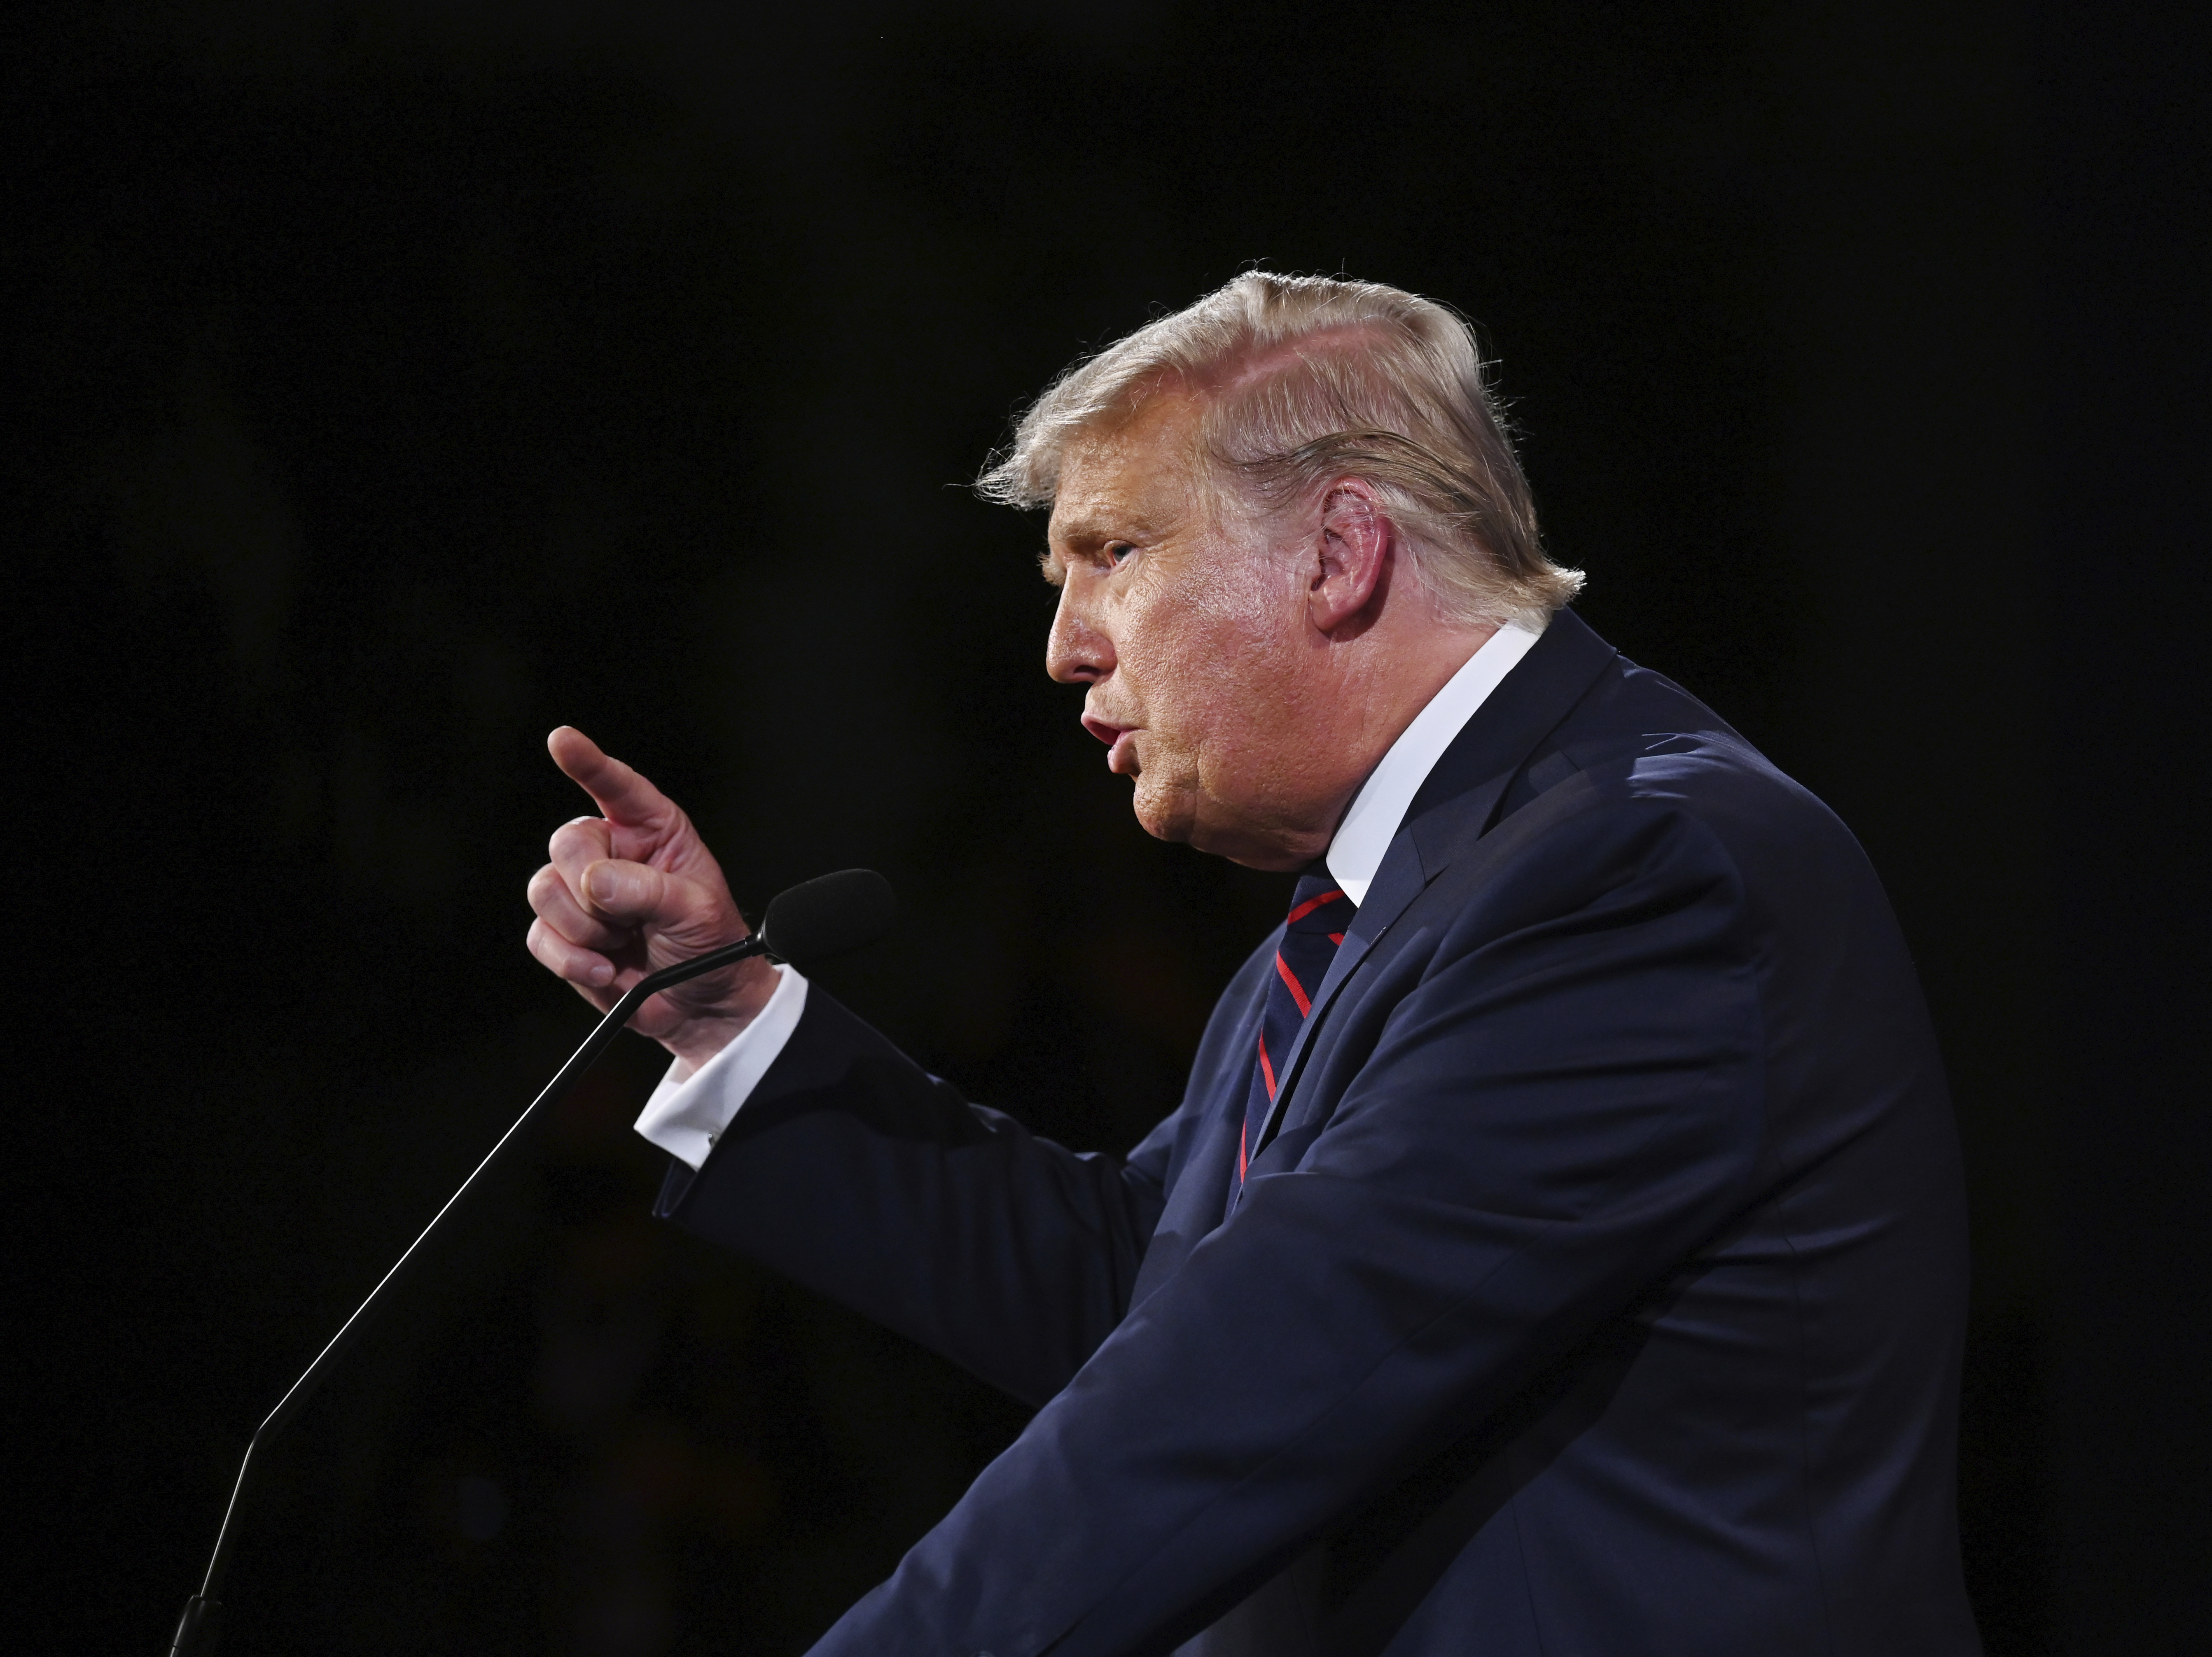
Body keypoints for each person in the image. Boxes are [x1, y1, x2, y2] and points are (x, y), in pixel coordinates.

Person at [524, 274, 1980, 1656]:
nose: (1063, 647)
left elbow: (1238, 1392)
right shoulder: (1397, 898)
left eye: (1113, 552)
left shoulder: (1634, 875)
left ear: (1338, 554)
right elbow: (1147, 1295)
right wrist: (727, 1019)